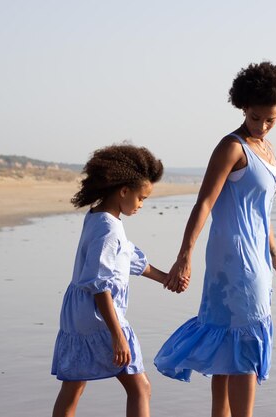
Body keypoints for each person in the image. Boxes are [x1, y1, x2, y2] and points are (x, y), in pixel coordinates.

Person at [153, 62, 276, 417]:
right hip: (235, 260)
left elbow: (262, 216)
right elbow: (204, 202)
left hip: (257, 258)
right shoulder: (232, 147)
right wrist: (184, 255)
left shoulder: (268, 149)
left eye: (270, 119)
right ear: (242, 107)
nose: (261, 125)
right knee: (245, 343)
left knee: (226, 347)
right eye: (254, 117)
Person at [51, 144, 188, 417]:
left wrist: (166, 279)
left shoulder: (98, 216)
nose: (140, 205)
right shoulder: (108, 228)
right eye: (141, 198)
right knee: (140, 387)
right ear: (124, 191)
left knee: (73, 386)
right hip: (101, 315)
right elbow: (100, 285)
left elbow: (128, 260)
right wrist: (117, 336)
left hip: (77, 315)